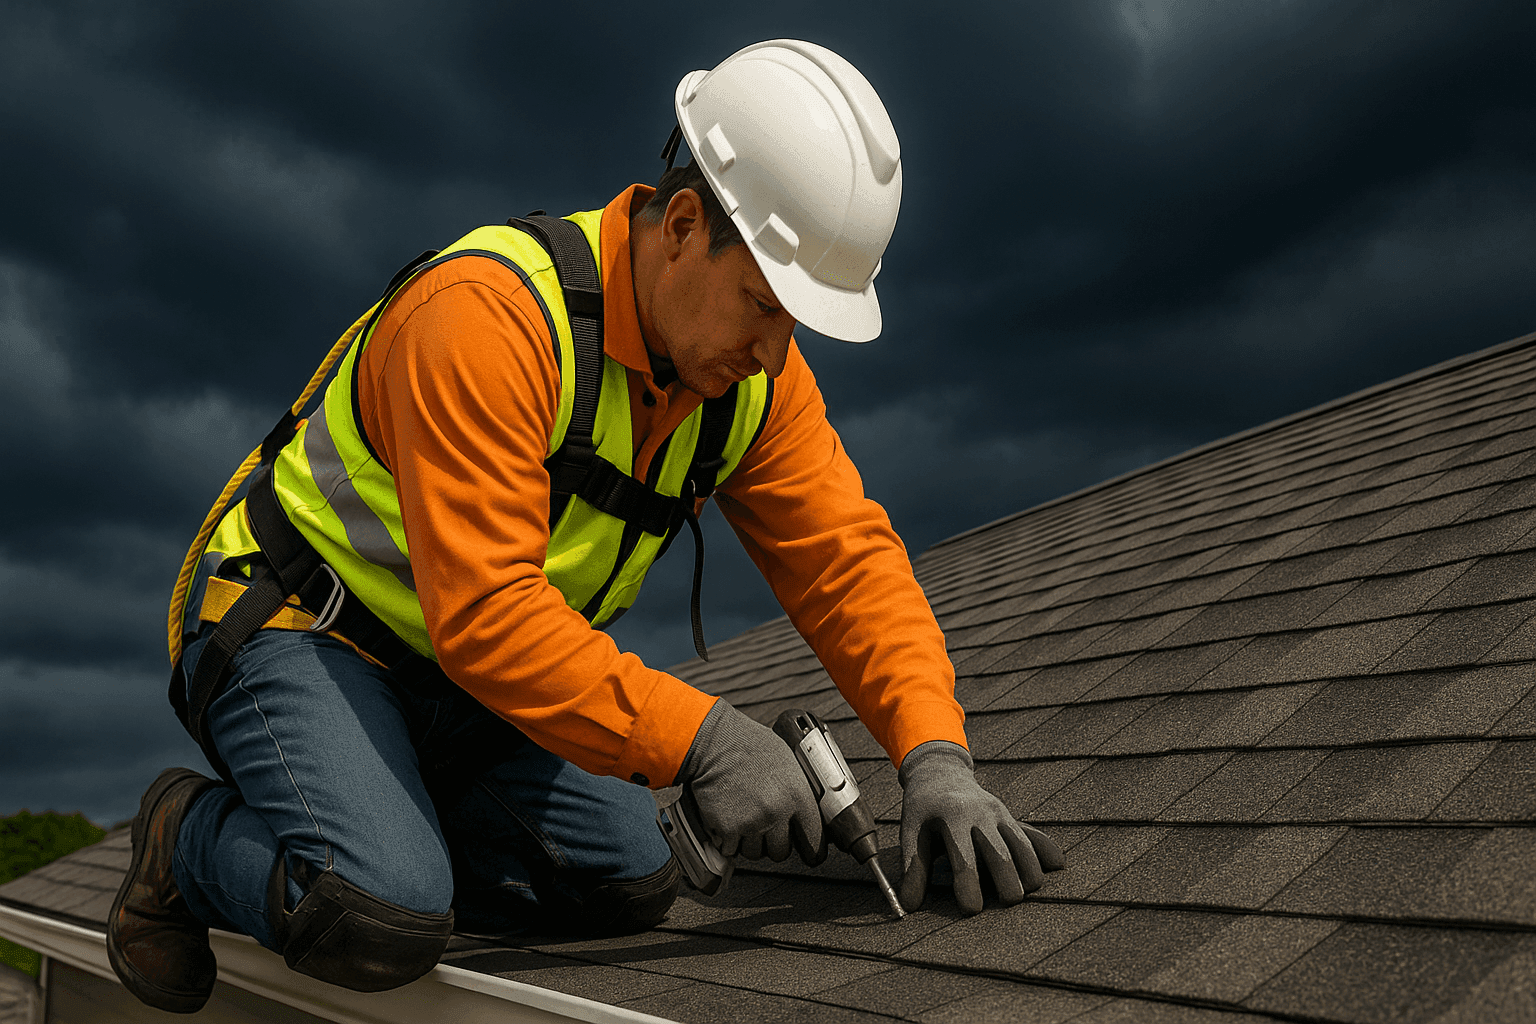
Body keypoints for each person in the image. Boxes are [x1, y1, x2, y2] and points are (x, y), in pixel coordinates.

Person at [107, 39, 1064, 1014]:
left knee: (630, 879)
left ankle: (388, 815)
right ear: (684, 225)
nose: (777, 352)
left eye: (799, 326)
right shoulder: (485, 317)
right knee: (379, 911)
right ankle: (185, 840)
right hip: (303, 623)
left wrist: (934, 755)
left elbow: (848, 565)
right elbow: (485, 612)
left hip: (460, 683)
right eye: (765, 305)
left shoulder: (751, 380)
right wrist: (704, 738)